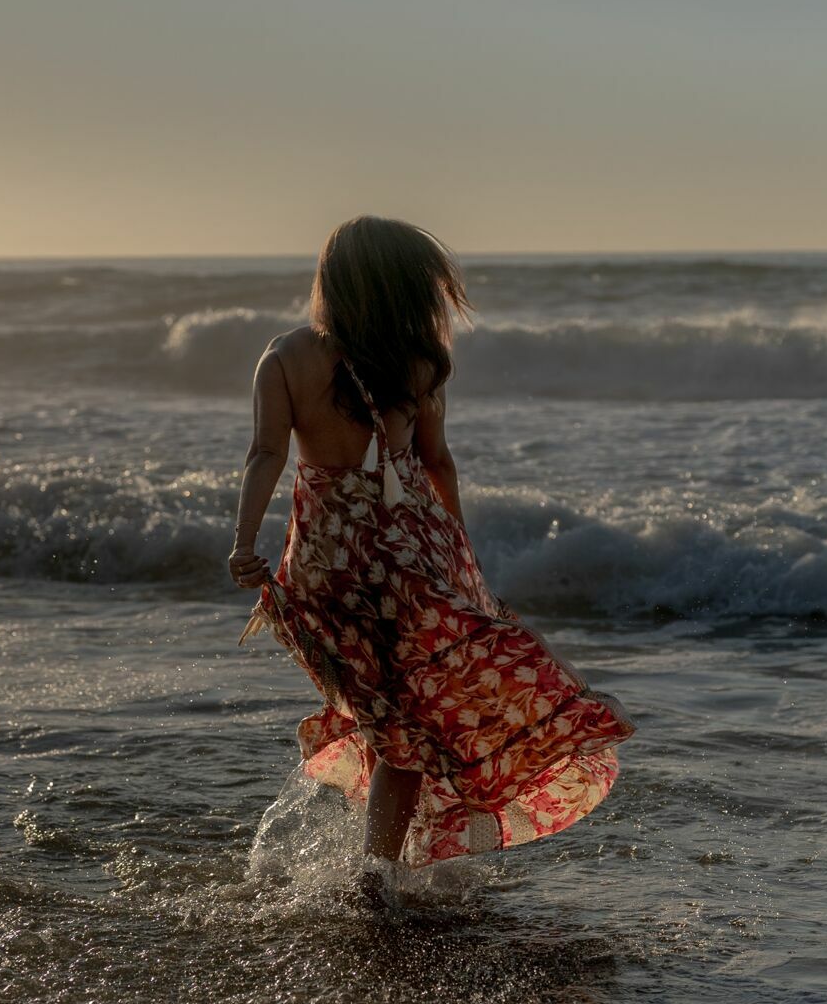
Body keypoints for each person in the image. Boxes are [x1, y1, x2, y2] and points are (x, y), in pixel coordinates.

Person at [229, 215, 635, 884]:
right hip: (404, 564)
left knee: (391, 715)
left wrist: (245, 545)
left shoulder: (284, 357)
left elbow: (266, 453)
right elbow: (437, 465)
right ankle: (380, 869)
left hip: (325, 569)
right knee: (415, 717)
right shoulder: (415, 365)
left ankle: (378, 863)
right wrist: (462, 562)